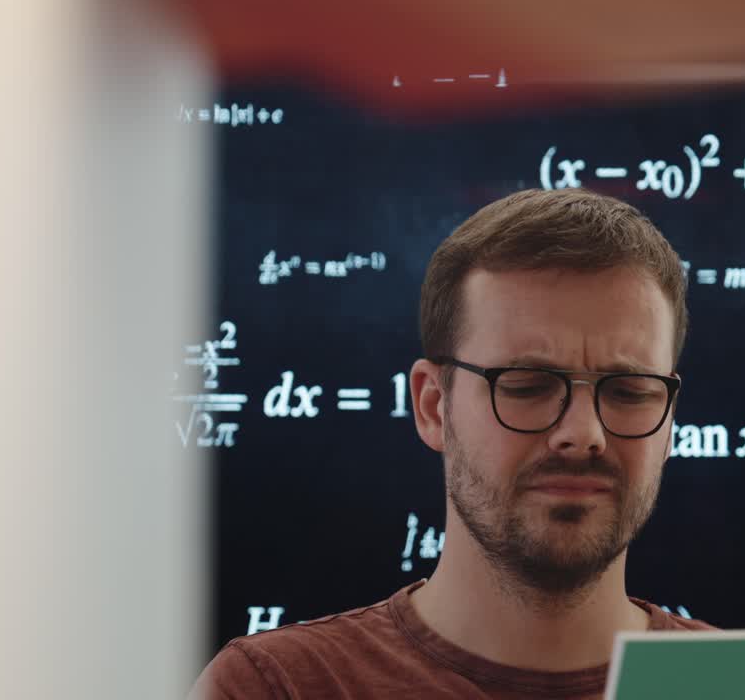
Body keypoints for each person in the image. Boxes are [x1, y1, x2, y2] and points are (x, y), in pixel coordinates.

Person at [191, 188, 714, 699]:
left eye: (629, 392)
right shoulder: (274, 688)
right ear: (432, 406)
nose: (584, 434)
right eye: (526, 385)